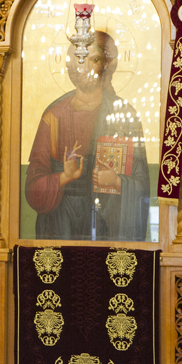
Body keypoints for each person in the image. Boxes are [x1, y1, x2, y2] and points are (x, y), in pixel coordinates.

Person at [25, 31, 150, 241]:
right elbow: (33, 189)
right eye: (77, 59)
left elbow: (142, 185)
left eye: (93, 59)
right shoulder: (53, 116)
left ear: (106, 65)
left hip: (105, 227)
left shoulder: (124, 115)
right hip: (60, 225)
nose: (82, 67)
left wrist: (117, 182)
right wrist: (64, 177)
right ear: (69, 66)